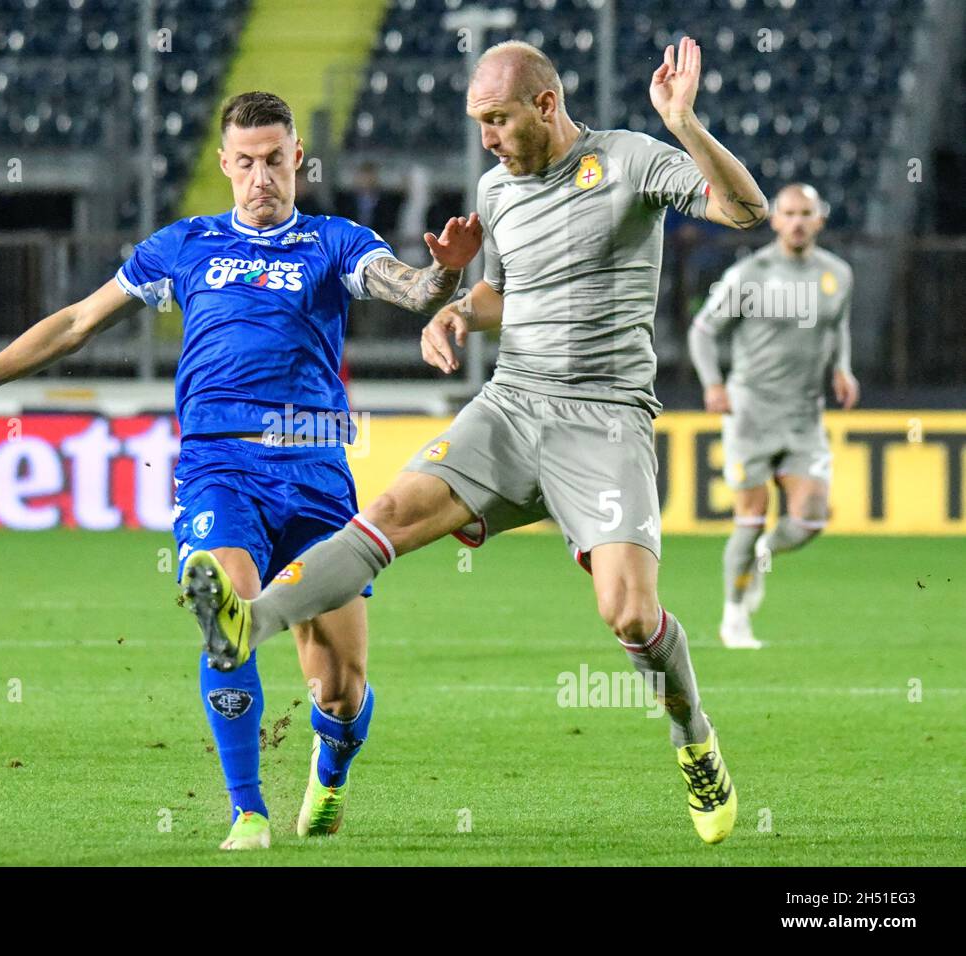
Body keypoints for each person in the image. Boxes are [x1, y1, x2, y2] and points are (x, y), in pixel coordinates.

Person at [182, 39, 768, 845]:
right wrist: (458, 310)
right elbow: (508, 289)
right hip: (511, 404)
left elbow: (746, 210)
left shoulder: (631, 160)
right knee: (386, 512)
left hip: (602, 417)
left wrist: (685, 124)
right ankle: (252, 619)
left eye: (497, 120)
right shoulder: (496, 190)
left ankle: (693, 739)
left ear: (546, 106)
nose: (486, 139)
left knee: (630, 617)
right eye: (478, 123)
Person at [0, 91, 481, 850]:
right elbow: (74, 323)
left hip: (315, 467)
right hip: (217, 463)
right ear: (226, 166)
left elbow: (412, 290)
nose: (261, 175)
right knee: (226, 618)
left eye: (275, 159)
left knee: (338, 683)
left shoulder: (335, 241)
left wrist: (443, 275)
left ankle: (330, 770)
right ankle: (248, 812)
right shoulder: (185, 245)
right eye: (246, 162)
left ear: (297, 158)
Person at [688, 182, 857, 649]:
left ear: (820, 219)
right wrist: (713, 383)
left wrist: (842, 368)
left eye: (807, 213)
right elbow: (702, 332)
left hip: (805, 414)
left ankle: (764, 553)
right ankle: (734, 615)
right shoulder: (750, 275)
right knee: (750, 514)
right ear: (775, 220)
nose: (798, 221)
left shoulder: (837, 274)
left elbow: (837, 326)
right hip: (751, 412)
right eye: (789, 213)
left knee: (811, 518)